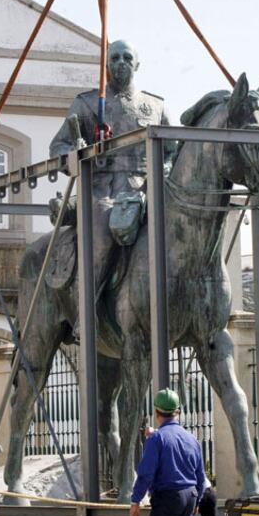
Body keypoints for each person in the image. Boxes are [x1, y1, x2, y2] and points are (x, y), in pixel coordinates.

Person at [49, 39, 173, 333]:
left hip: (146, 189)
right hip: (102, 191)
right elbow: (58, 147)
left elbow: (173, 151)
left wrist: (163, 171)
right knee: (104, 230)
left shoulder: (156, 106)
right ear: (106, 66)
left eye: (127, 57)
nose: (120, 63)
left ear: (137, 64)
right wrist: (74, 151)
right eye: (114, 58)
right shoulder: (88, 103)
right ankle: (86, 307)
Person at [129, 388, 206, 516]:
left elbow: (146, 474)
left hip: (168, 497)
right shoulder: (191, 438)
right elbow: (200, 475)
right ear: (177, 412)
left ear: (156, 413)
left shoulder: (156, 439)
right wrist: (198, 500)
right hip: (190, 495)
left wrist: (136, 501)